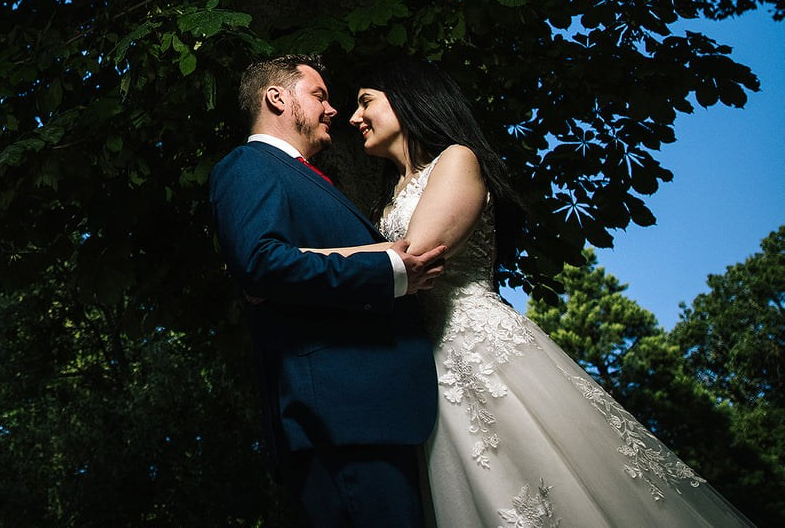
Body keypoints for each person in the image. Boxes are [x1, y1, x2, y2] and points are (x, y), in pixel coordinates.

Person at [319, 59, 755, 528]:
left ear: (408, 98)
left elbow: (417, 252)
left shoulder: (457, 158)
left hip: (478, 347)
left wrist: (304, 260)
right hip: (426, 365)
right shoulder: (389, 197)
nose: (353, 117)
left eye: (366, 102)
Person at [210, 55, 449, 528]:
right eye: (319, 95)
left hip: (373, 416)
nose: (334, 109)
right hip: (336, 418)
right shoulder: (249, 165)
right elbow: (261, 262)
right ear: (277, 98)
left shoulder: (309, 179)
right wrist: (390, 269)